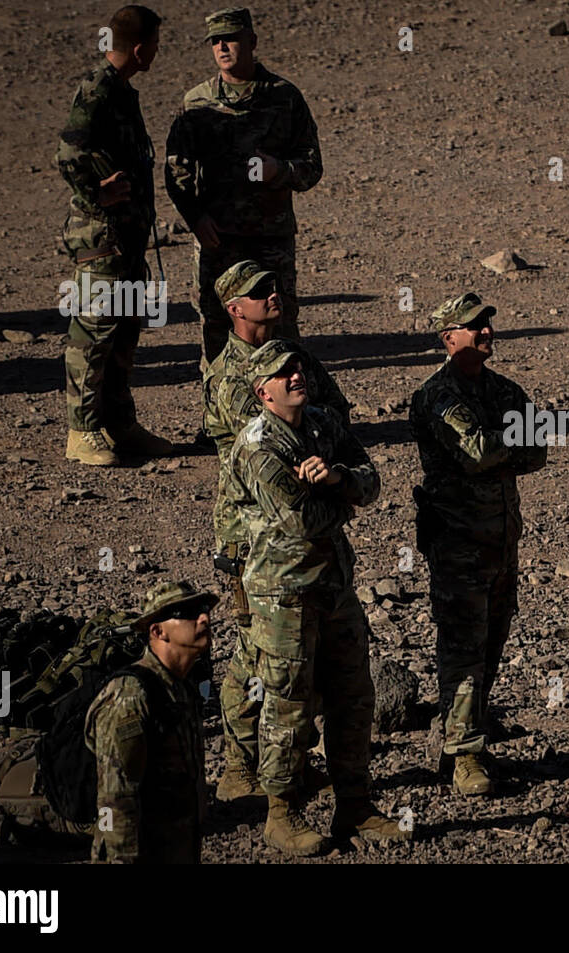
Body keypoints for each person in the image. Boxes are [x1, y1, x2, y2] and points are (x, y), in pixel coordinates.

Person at [226, 341, 406, 854]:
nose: (294, 375)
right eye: (281, 374)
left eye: (296, 368)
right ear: (263, 392)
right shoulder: (259, 447)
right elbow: (301, 522)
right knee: (288, 704)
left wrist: (338, 477)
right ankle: (282, 814)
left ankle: (356, 804)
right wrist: (342, 498)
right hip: (282, 595)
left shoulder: (324, 423)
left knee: (354, 695)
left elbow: (371, 482)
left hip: (334, 585)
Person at [202, 260, 349, 801]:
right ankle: (240, 764)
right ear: (234, 308)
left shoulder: (295, 356)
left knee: (301, 655)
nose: (274, 295)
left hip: (305, 527)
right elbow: (264, 445)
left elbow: (337, 414)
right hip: (251, 533)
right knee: (254, 656)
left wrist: (320, 451)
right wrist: (325, 467)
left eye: (274, 286)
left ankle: (286, 760)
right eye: (258, 292)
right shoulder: (229, 375)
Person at [409, 294, 548, 796]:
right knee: (463, 645)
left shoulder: (505, 390)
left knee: (492, 642)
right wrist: (503, 446)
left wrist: (500, 448)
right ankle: (465, 754)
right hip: (457, 542)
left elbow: (538, 451)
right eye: (473, 326)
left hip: (502, 538)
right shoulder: (436, 396)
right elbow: (476, 452)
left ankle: (463, 738)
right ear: (448, 338)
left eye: (487, 323)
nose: (486, 331)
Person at [165, 6, 323, 368]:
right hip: (217, 239)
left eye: (230, 39)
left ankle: (279, 417)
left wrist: (279, 171)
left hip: (271, 240)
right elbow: (176, 171)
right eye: (215, 41)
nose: (222, 47)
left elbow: (312, 168)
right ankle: (218, 418)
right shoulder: (196, 102)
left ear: (251, 41)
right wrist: (195, 218)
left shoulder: (285, 98)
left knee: (278, 328)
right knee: (217, 327)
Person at [57, 4, 173, 466]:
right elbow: (68, 154)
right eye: (157, 46)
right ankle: (81, 432)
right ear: (141, 48)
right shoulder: (97, 91)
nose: (157, 54)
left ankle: (119, 424)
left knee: (124, 330)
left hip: (126, 239)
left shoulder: (123, 92)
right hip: (101, 238)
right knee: (94, 332)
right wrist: (94, 195)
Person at [85, 581, 216, 863]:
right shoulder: (130, 696)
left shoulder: (181, 687)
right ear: (157, 631)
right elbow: (115, 799)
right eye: (189, 612)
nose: (204, 618)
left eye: (204, 610)